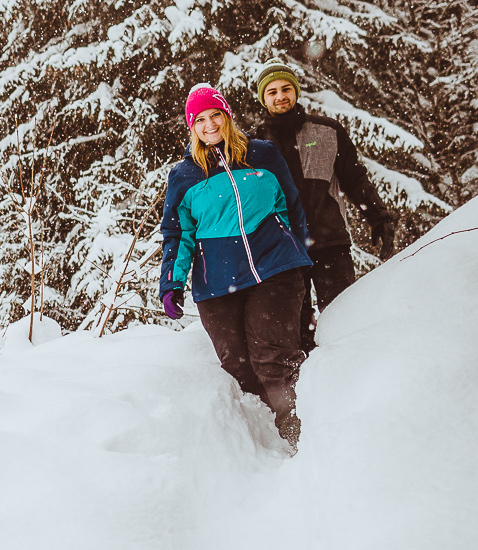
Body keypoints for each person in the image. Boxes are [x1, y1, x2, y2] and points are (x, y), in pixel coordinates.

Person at [159, 84, 313, 444]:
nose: (210, 124)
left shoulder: (264, 155)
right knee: (238, 367)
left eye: (216, 115)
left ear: (227, 117)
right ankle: (258, 444)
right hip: (218, 283)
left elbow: (290, 207)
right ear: (191, 127)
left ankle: (297, 433)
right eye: (200, 119)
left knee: (271, 358)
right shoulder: (184, 176)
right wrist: (172, 284)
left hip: (274, 268)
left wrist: (298, 256)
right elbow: (177, 234)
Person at [254, 60, 396, 346]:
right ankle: (305, 386)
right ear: (263, 98)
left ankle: (351, 377)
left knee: (344, 321)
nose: (280, 96)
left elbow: (355, 179)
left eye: (285, 89)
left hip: (330, 242)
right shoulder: (254, 144)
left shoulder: (327, 131)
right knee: (296, 330)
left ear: (295, 92)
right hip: (285, 250)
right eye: (271, 92)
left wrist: (379, 217)